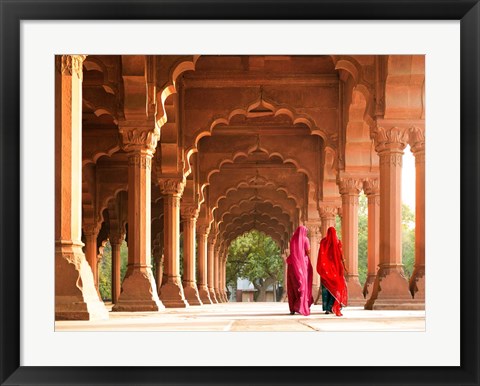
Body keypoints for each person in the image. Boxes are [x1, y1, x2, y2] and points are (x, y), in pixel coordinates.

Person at [316, 227, 348, 317]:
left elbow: (320, 255)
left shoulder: (323, 242)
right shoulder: (338, 242)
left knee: (326, 289)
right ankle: (333, 306)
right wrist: (345, 267)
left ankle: (327, 308)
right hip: (336, 269)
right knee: (337, 287)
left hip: (325, 270)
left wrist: (322, 267)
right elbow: (341, 256)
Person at [286, 225, 314, 316]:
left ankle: (292, 308)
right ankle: (300, 306)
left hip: (292, 264)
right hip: (302, 264)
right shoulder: (305, 239)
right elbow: (308, 251)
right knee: (302, 285)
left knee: (293, 286)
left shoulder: (293, 239)